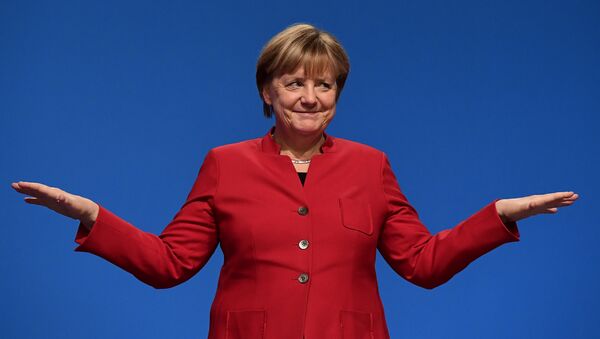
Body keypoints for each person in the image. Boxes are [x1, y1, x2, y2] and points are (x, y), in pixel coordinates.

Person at [11, 23, 578, 339]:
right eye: (294, 83)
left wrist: (499, 215)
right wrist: (92, 217)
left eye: (324, 86)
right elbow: (170, 265)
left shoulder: (371, 165)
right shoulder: (225, 164)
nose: (310, 97)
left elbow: (422, 263)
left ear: (337, 96)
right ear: (267, 91)